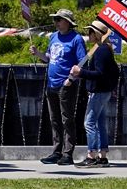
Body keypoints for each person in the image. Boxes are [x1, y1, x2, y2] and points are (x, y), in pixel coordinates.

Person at [28, 9, 86, 165]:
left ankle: (68, 154)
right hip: (51, 84)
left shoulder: (77, 39)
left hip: (66, 85)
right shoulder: (53, 37)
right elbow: (48, 58)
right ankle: (56, 151)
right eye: (55, 19)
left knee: (67, 119)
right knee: (54, 120)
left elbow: (82, 62)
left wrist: (71, 79)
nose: (56, 22)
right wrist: (37, 53)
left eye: (59, 19)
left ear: (67, 22)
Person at [70, 20, 117, 168]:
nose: (87, 34)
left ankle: (92, 156)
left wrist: (80, 72)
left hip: (99, 92)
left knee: (89, 123)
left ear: (96, 34)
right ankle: (102, 156)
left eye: (90, 31)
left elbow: (100, 73)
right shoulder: (105, 48)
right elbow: (115, 71)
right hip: (103, 91)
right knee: (100, 124)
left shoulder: (101, 50)